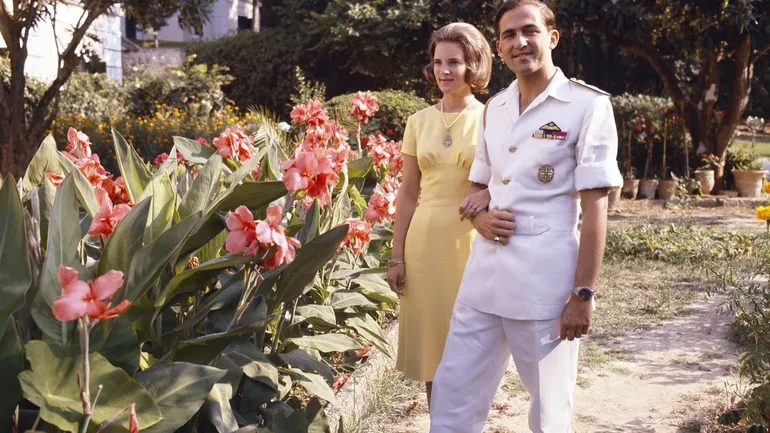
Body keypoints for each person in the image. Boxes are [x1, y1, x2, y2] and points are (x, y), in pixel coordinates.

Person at [429, 1, 624, 432]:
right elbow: (477, 187)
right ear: (499, 48)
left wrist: (583, 294)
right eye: (509, 35)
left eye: (529, 31)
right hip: (483, 279)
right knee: (453, 396)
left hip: (545, 285)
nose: (520, 42)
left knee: (550, 411)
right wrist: (478, 219)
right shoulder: (495, 108)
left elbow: (595, 208)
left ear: (551, 37)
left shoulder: (586, 106)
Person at [387, 22, 494, 406]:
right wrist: (397, 256)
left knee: (471, 345)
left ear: (473, 65)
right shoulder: (418, 121)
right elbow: (407, 193)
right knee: (433, 348)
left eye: (454, 62)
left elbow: (508, 178)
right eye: (437, 62)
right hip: (424, 242)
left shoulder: (491, 117)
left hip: (471, 241)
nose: (444, 71)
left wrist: (486, 195)